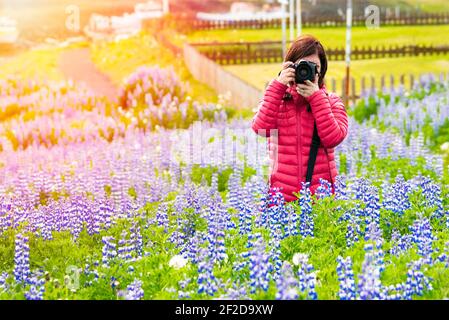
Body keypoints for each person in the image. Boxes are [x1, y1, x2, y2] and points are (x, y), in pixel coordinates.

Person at [251, 35, 348, 202]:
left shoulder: (331, 101)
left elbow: (333, 138)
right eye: (301, 65)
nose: (306, 71)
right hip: (282, 201)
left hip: (320, 200)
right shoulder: (278, 101)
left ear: (321, 70)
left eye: (314, 66)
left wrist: (317, 98)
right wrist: (278, 86)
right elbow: (260, 128)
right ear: (289, 66)